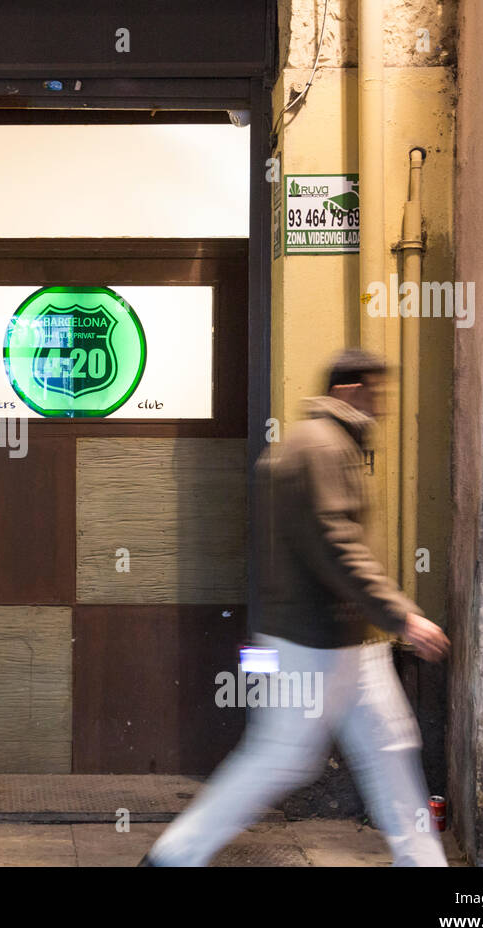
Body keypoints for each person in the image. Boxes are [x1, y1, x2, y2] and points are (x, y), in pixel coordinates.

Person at [142, 348, 450, 867]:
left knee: (391, 745)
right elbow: (337, 546)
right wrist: (402, 616)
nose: (384, 408)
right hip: (311, 643)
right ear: (351, 391)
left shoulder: (324, 443)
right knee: (282, 758)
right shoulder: (318, 446)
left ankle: (423, 863)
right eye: (378, 394)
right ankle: (174, 856)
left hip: (343, 641)